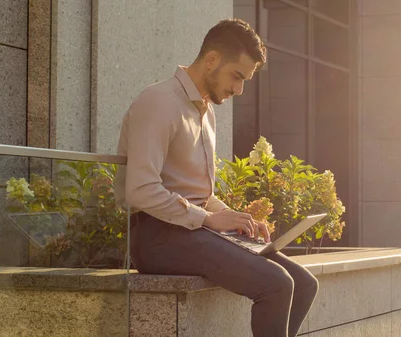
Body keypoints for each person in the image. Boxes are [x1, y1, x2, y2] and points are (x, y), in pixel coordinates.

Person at [114, 18, 319, 337]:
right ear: (211, 60)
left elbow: (199, 193)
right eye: (237, 76)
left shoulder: (205, 112)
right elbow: (140, 190)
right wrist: (209, 219)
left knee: (305, 284)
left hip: (193, 231)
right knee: (277, 285)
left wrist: (234, 217)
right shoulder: (158, 102)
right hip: (156, 238)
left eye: (245, 80)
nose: (239, 89)